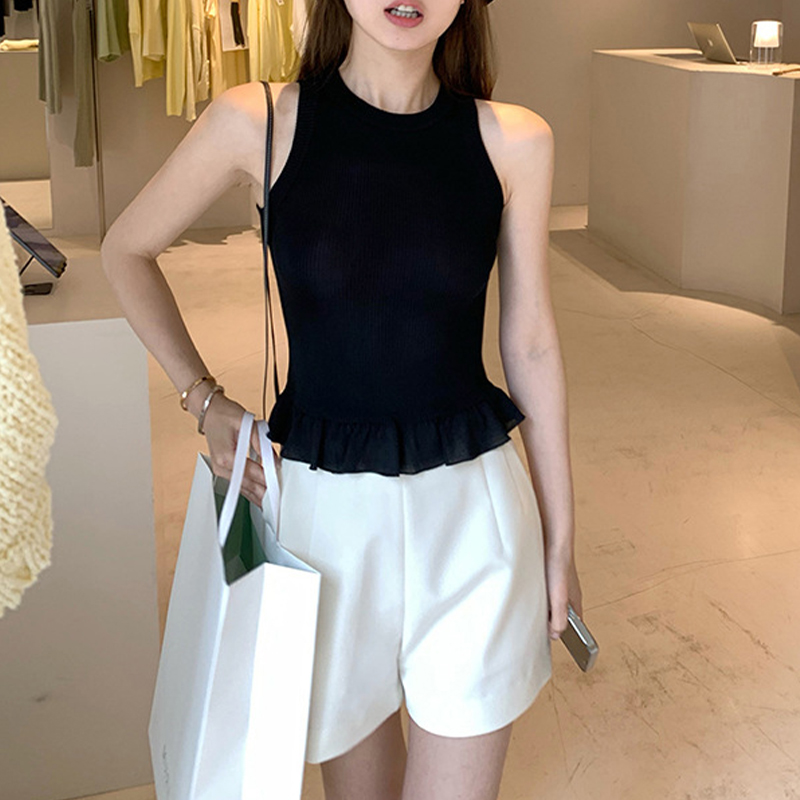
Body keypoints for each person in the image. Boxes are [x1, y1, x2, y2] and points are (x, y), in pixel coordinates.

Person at [101, 0, 583, 798]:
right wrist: (204, 399)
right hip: (323, 530)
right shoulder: (258, 121)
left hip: (476, 523)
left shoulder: (515, 140)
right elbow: (126, 249)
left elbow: (530, 342)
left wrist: (562, 540)